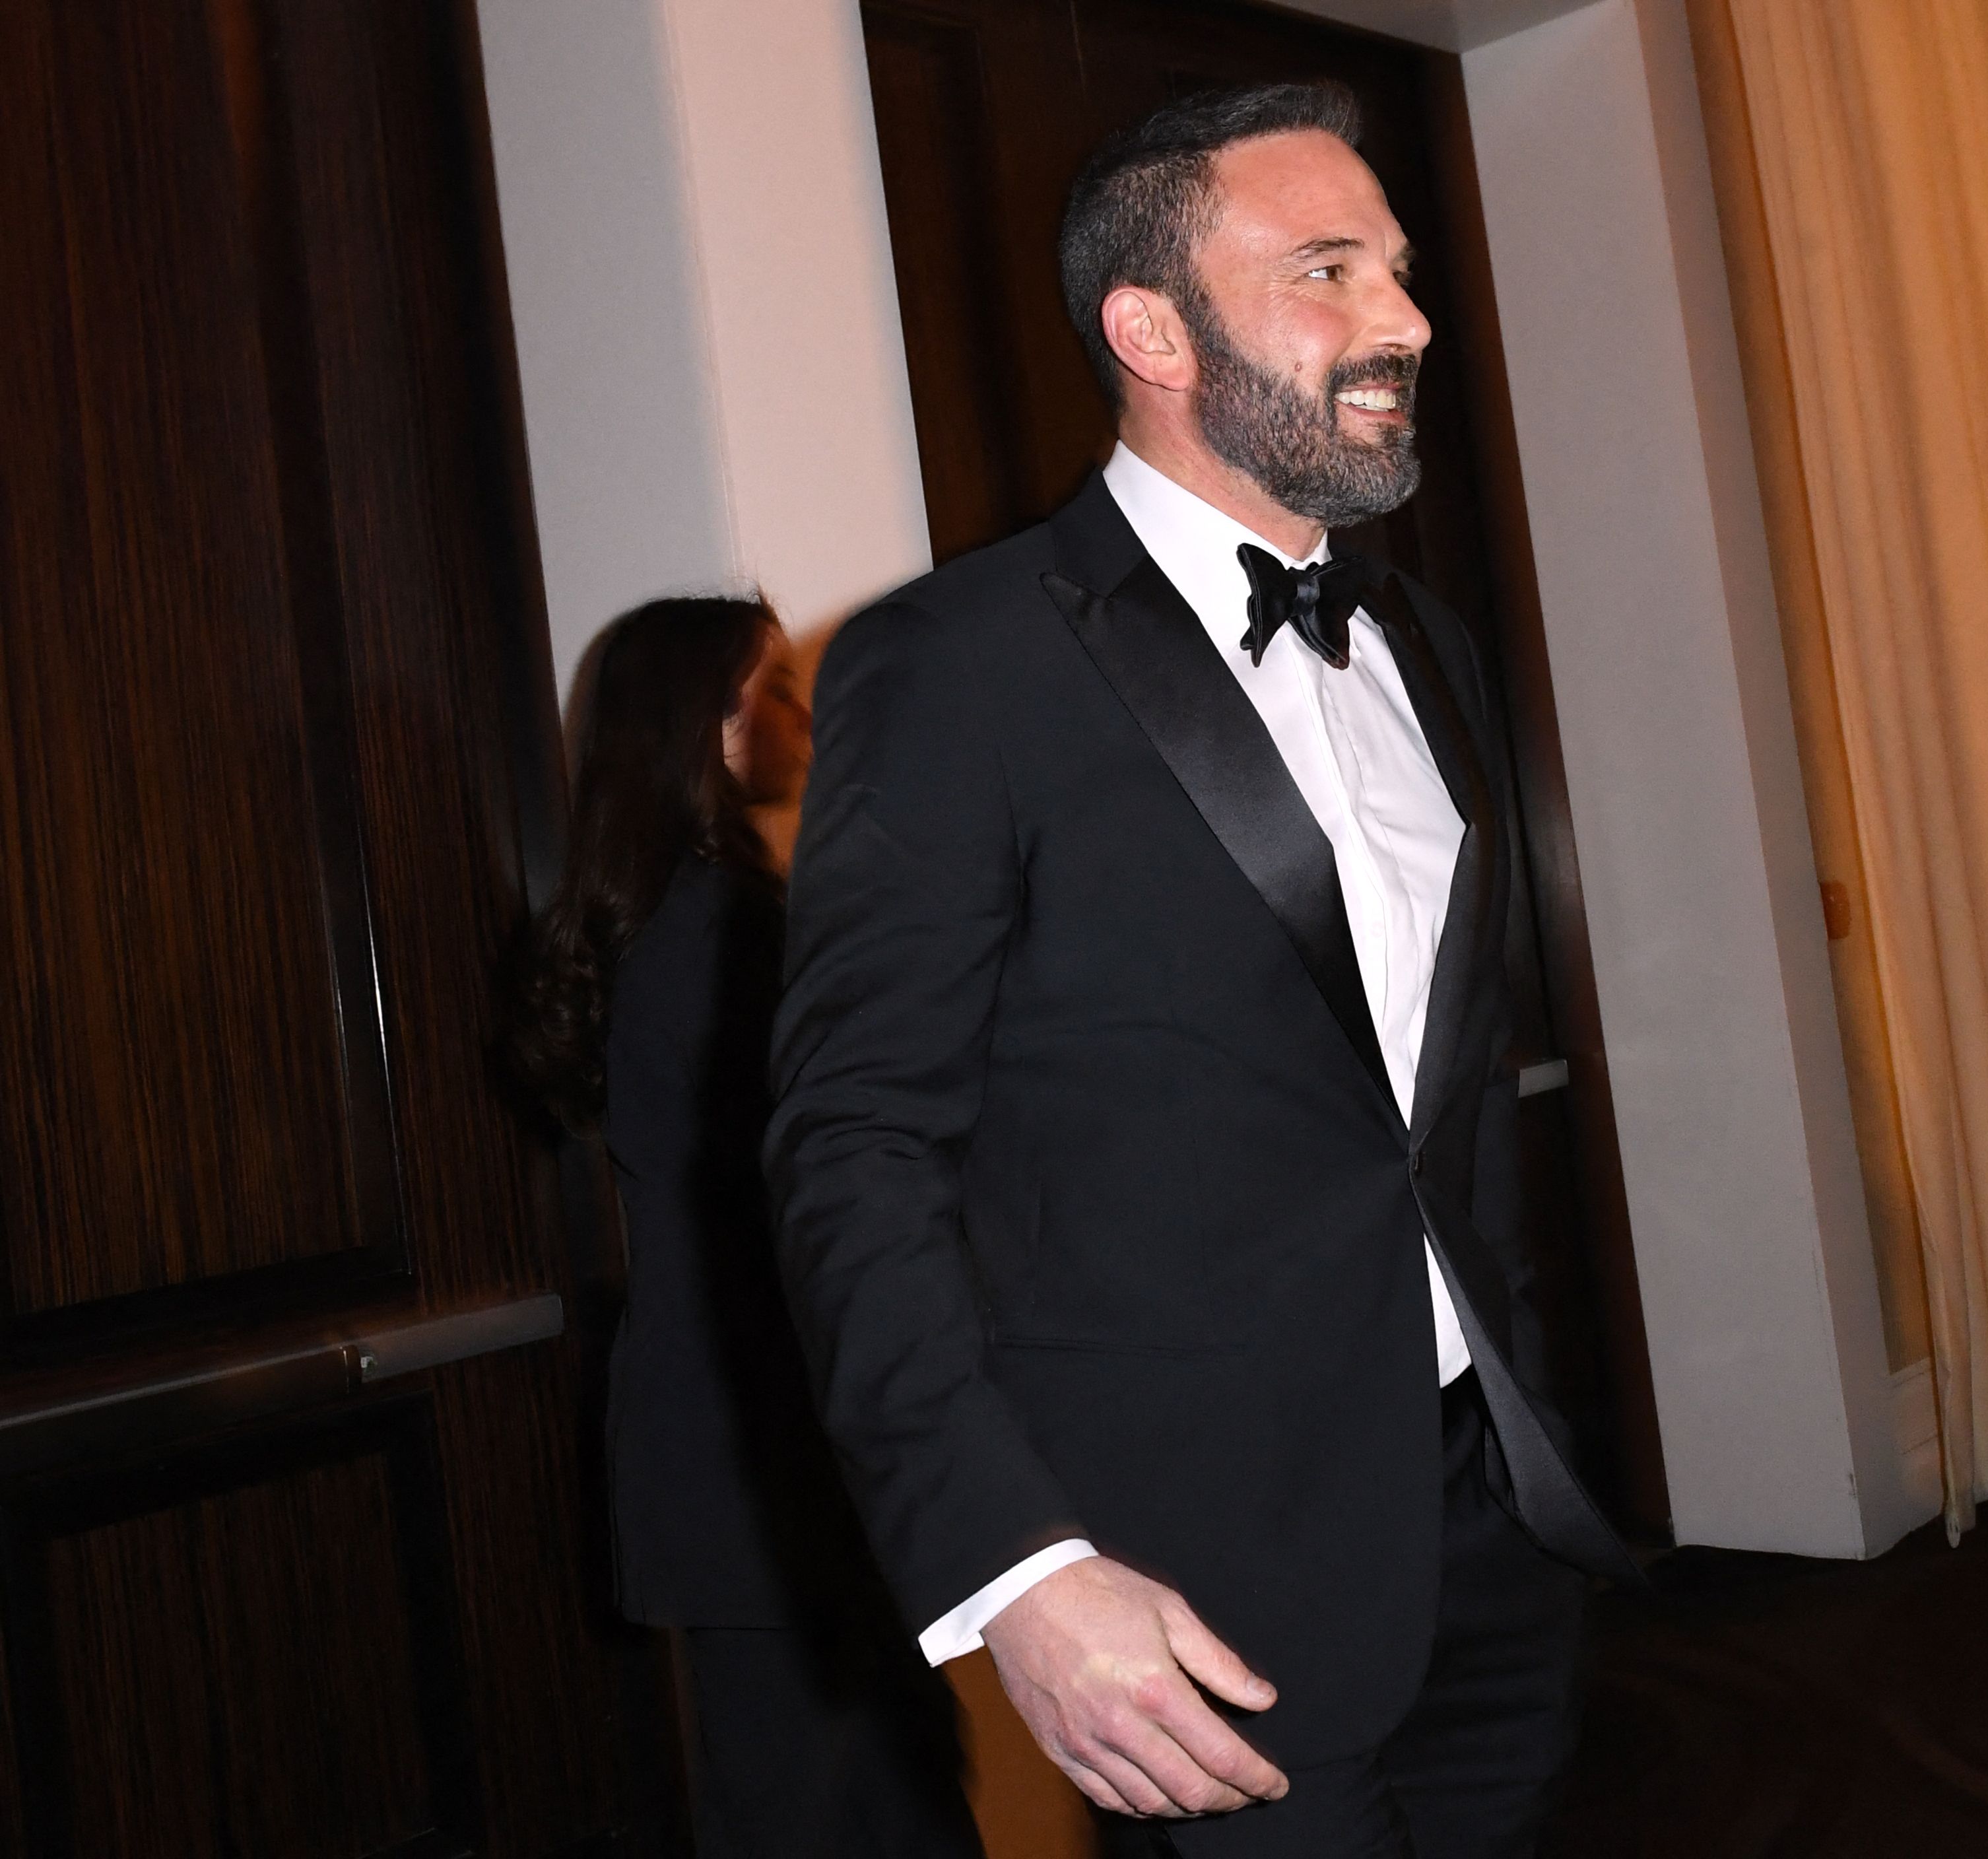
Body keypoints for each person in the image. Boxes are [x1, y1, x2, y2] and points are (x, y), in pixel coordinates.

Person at [766, 82, 1635, 1858]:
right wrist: (1020, 1569)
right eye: (1328, 270)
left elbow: (1412, 1102)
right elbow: (853, 1149)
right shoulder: (956, 664)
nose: (1403, 319)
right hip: (1186, 1596)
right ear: (1152, 330)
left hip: (1489, 1525)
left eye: (1395, 268)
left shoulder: (1424, 644)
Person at [510, 595, 982, 1859]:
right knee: (831, 1800)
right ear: (705, 727)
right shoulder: (723, 934)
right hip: (765, 1441)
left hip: (736, 1434)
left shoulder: (680, 922)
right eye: (770, 686)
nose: (800, 712)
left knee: (863, 1785)